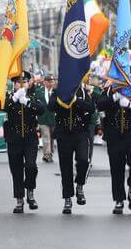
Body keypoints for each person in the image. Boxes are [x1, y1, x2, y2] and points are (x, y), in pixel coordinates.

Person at [97, 77, 131, 214]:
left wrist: (130, 105)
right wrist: (115, 97)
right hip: (114, 133)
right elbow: (99, 105)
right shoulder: (109, 91)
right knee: (117, 167)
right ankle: (119, 199)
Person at [48, 80, 95, 214]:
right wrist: (62, 98)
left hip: (80, 132)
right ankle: (67, 198)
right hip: (64, 132)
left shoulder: (83, 93)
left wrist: (76, 101)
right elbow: (50, 106)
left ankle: (80, 185)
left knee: (83, 160)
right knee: (65, 167)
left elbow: (91, 108)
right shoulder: (58, 92)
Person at [2, 71, 43, 214]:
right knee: (16, 169)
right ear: (14, 84)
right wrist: (14, 98)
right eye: (19, 82)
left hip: (30, 136)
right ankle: (19, 199)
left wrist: (27, 102)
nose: (21, 84)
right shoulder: (9, 97)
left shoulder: (33, 96)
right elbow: (3, 107)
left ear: (28, 83)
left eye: (24, 82)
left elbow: (41, 109)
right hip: (14, 136)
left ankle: (30, 191)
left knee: (31, 166)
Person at [35, 75, 57, 163]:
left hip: (54, 118)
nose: (50, 83)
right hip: (43, 118)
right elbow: (36, 103)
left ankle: (50, 152)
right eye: (48, 81)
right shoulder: (38, 91)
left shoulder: (56, 92)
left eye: (52, 81)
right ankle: (47, 155)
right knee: (46, 136)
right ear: (44, 82)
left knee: (52, 137)